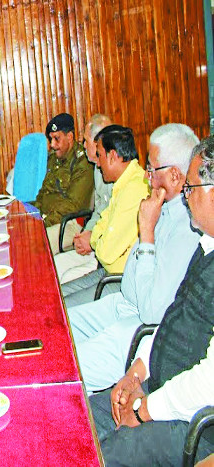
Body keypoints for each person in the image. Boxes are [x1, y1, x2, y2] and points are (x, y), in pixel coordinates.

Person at [88, 135, 214, 465]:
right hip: (158, 390)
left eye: (191, 188)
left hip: (195, 427)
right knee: (77, 419)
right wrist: (136, 373)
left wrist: (144, 410)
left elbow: (208, 383)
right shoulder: (206, 246)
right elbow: (171, 319)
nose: (186, 197)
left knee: (97, 456)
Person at [67, 124, 201, 392]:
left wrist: (146, 231)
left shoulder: (188, 226)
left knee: (65, 366)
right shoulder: (161, 206)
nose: (147, 177)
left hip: (143, 330)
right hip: (125, 305)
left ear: (175, 175)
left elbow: (152, 312)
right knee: (59, 325)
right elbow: (130, 284)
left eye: (151, 169)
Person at [62, 125, 150, 307]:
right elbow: (102, 222)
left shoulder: (134, 188)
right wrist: (98, 238)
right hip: (107, 272)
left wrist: (94, 240)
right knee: (57, 294)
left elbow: (105, 253)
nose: (98, 163)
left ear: (112, 156)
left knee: (64, 308)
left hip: (122, 280)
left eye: (100, 156)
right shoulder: (123, 182)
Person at [49, 114, 113, 277]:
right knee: (54, 266)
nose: (83, 145)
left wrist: (91, 238)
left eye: (86, 141)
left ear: (98, 143)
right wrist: (87, 232)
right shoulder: (98, 168)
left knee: (61, 274)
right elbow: (99, 211)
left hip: (106, 250)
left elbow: (113, 221)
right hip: (94, 238)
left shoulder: (113, 172)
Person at [32, 113, 94, 227]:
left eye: (56, 138)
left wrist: (43, 224)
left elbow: (72, 205)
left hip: (67, 223)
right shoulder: (53, 159)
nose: (52, 144)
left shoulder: (82, 162)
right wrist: (32, 215)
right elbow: (43, 192)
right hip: (47, 219)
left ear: (69, 137)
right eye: (51, 139)